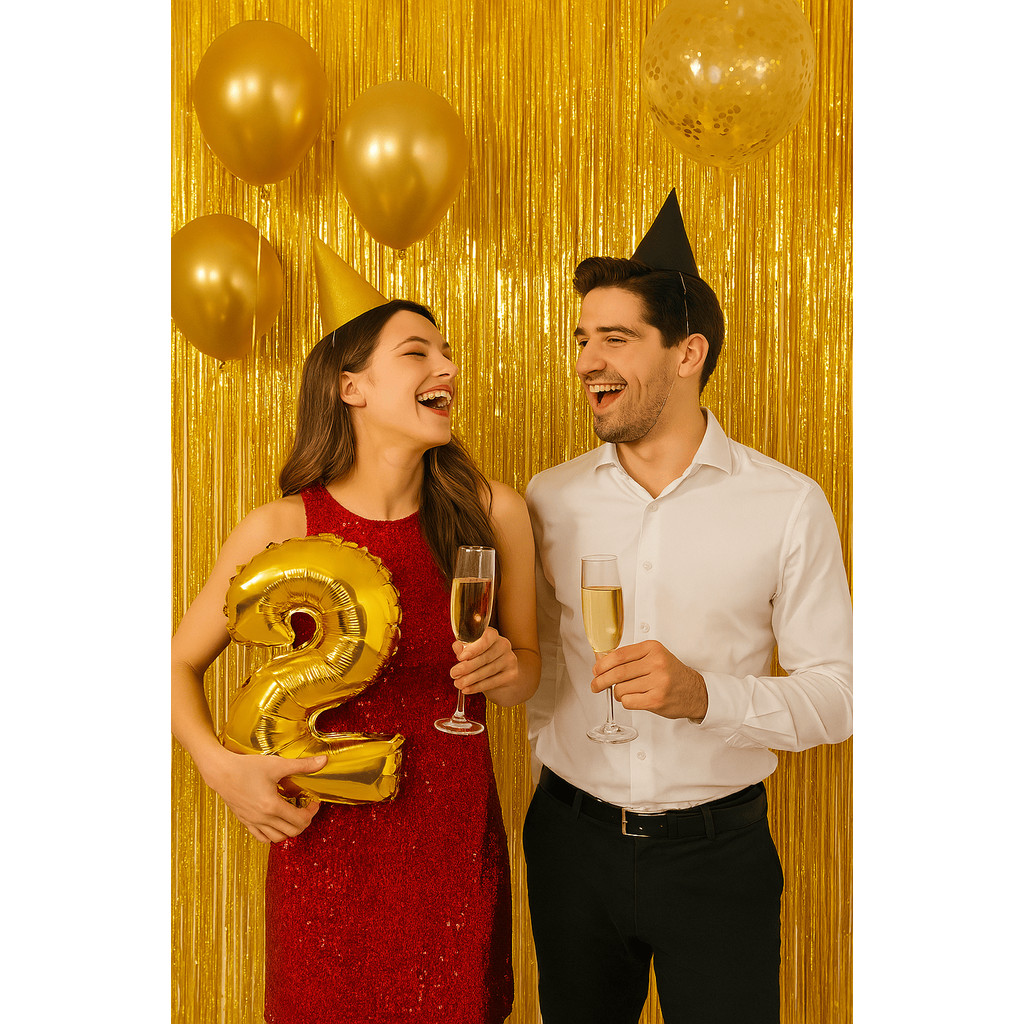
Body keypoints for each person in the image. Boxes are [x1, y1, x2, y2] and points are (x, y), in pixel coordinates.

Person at [171, 275, 540, 1024]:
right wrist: (221, 768)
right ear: (351, 387)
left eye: (446, 352)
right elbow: (175, 664)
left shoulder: (494, 511)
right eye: (417, 352)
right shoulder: (281, 526)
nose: (447, 367)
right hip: (324, 857)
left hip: (452, 850)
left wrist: (507, 670)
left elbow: (526, 673)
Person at [522, 191, 852, 1024]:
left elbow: (838, 695)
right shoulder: (548, 499)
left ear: (687, 353)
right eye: (582, 339)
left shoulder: (787, 503)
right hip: (570, 848)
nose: (587, 361)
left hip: (718, 861)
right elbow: (537, 669)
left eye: (616, 339)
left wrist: (705, 696)